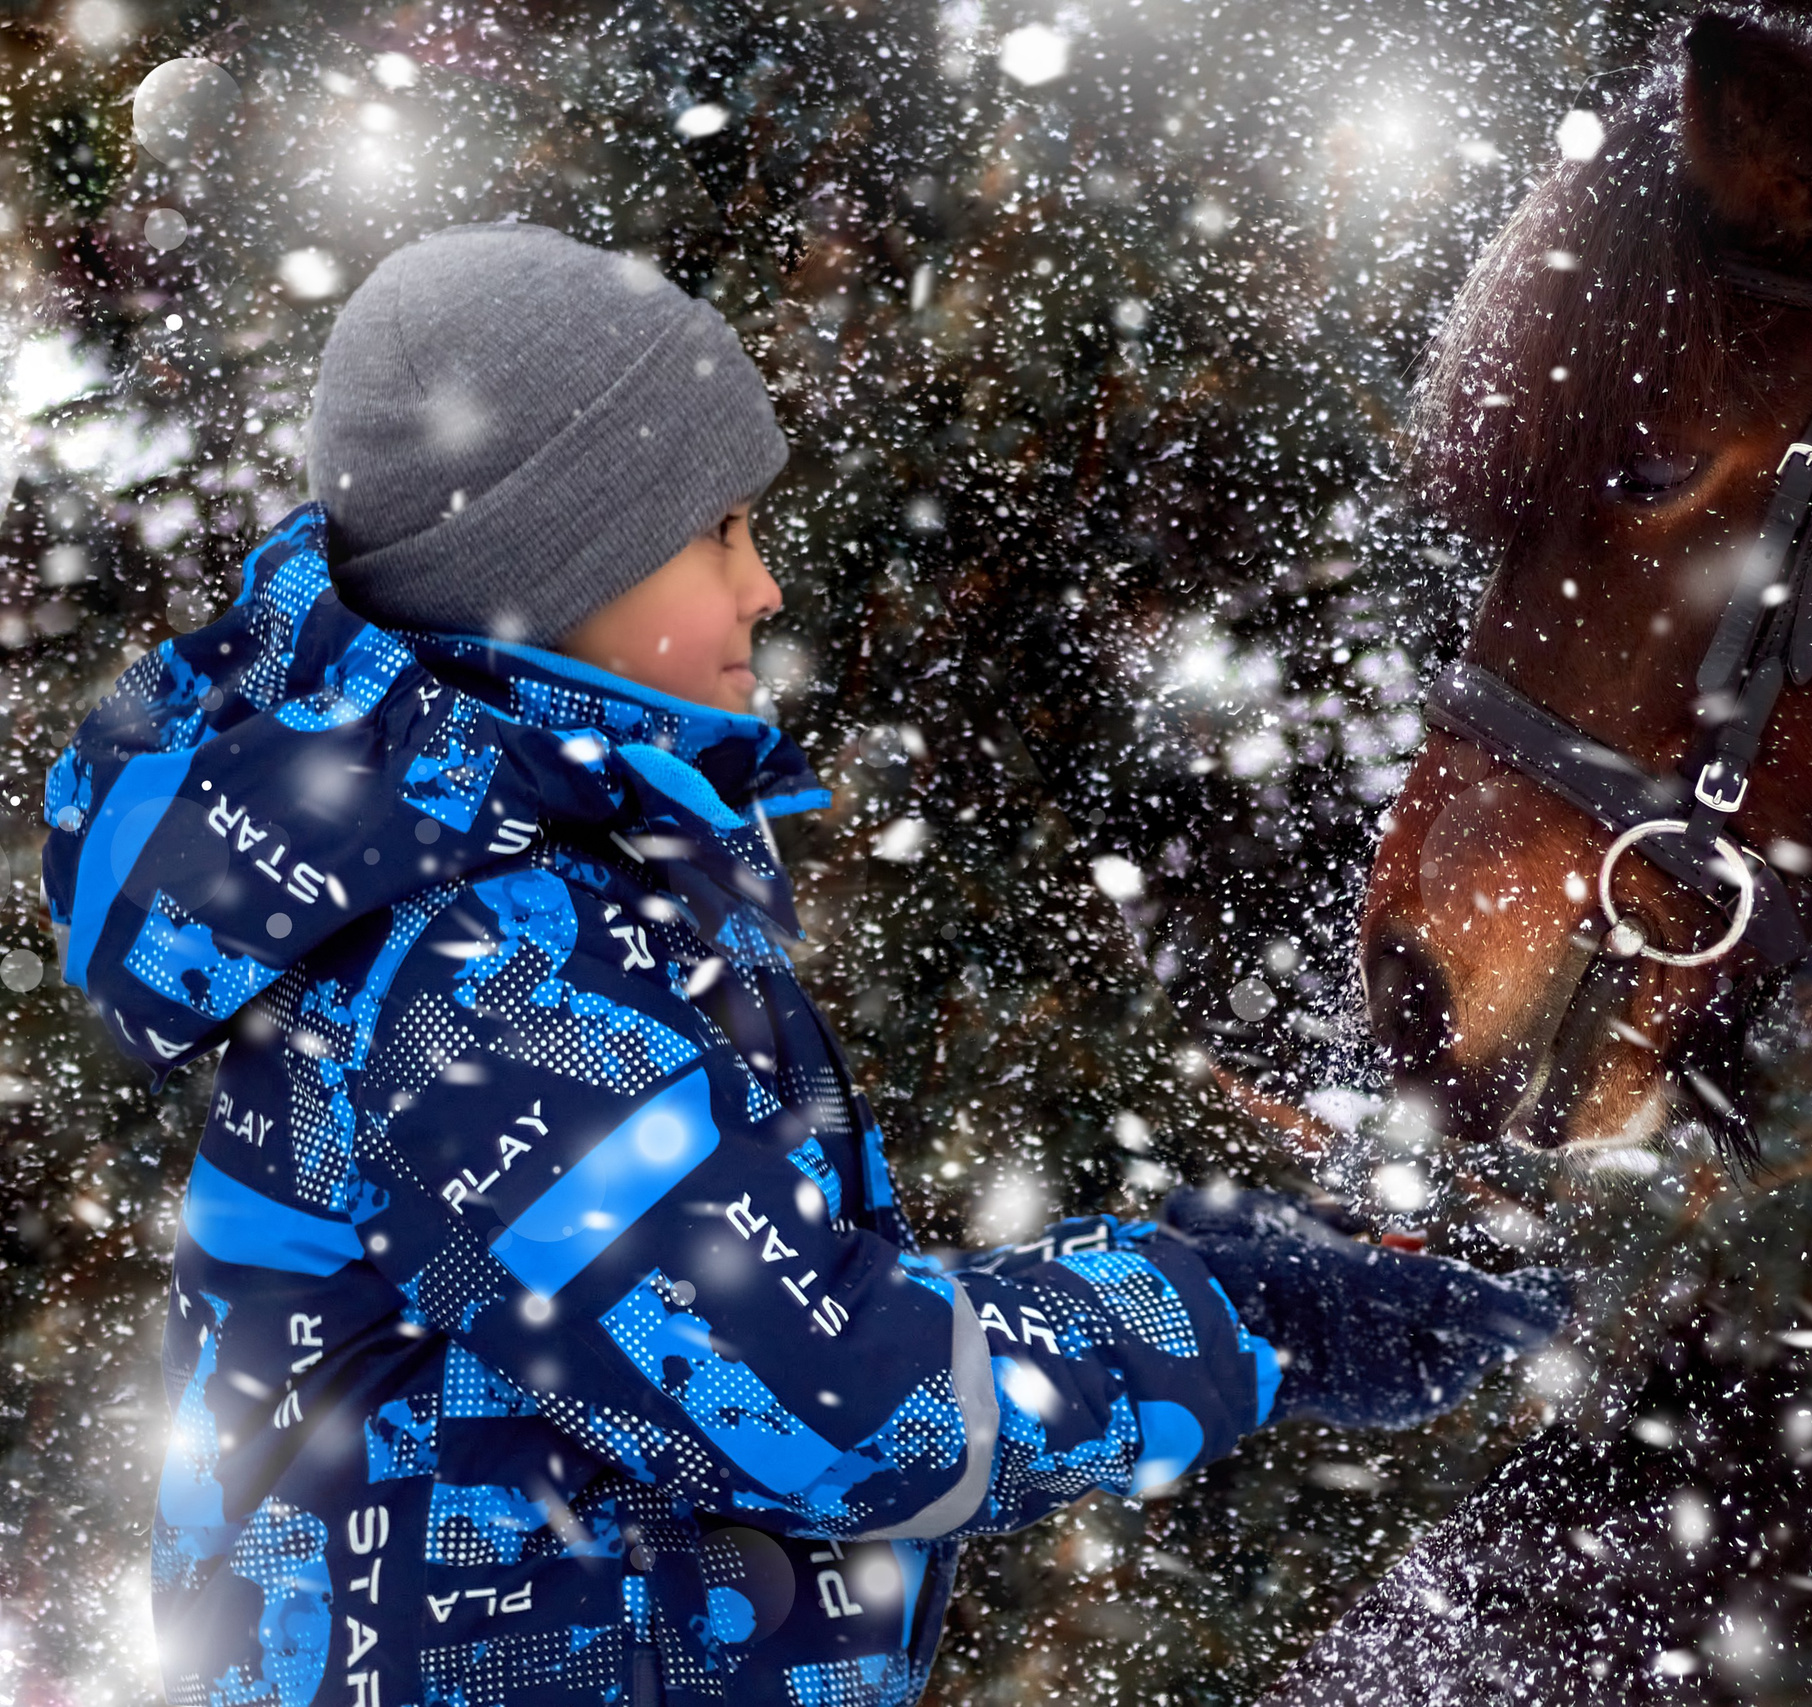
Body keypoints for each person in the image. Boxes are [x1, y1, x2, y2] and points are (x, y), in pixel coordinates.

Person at [40, 224, 1565, 1707]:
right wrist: (1228, 1324)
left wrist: (1183, 1286)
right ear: (564, 564)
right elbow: (825, 1411)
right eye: (720, 533)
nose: (763, 587)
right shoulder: (480, 960)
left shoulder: (494, 887)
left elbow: (724, 1315)